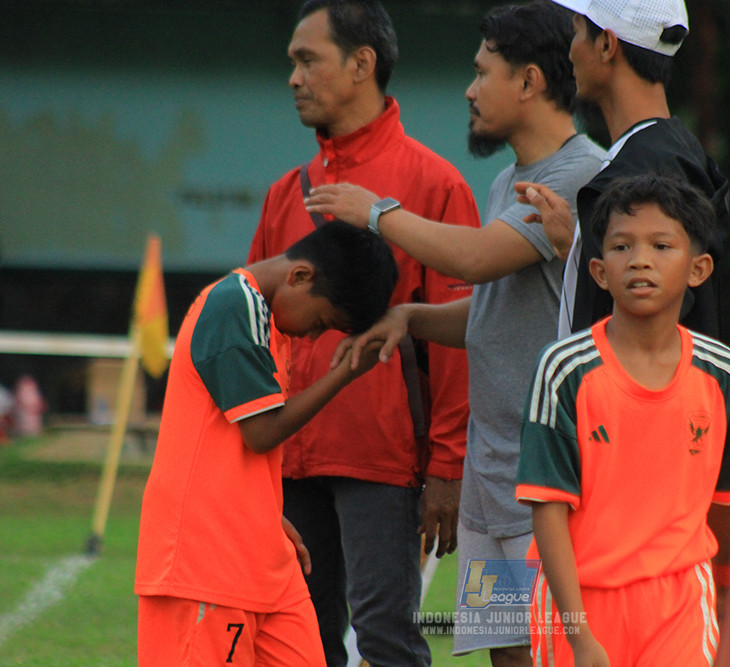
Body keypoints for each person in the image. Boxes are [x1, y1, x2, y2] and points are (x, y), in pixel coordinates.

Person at [312, 3, 604, 664]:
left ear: (529, 83)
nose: (469, 91)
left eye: (482, 73)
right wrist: (413, 318)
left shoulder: (580, 173)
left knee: (548, 650)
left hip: (547, 476)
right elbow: (493, 307)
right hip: (489, 472)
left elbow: (473, 259)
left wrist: (376, 212)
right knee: (506, 652)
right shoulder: (509, 180)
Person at [246, 1, 481, 664]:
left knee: (386, 639)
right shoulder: (282, 193)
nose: (293, 76)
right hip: (287, 458)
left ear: (361, 64)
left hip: (384, 462)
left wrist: (446, 465)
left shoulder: (434, 184)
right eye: (293, 61)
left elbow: (456, 342)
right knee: (297, 641)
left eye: (307, 59)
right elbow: (254, 327)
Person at [135, 221, 398, 667]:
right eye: (320, 322)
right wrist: (347, 371)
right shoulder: (232, 304)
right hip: (203, 564)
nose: (313, 337)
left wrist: (263, 510)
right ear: (300, 276)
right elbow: (261, 432)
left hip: (261, 557)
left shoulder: (268, 320)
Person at [515, 174, 730, 665]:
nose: (640, 259)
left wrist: (724, 587)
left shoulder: (721, 373)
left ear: (698, 268)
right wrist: (579, 638)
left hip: (680, 597)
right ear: (599, 271)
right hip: (579, 604)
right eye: (622, 246)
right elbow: (548, 511)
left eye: (662, 245)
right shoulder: (564, 371)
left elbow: (726, 499)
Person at [517, 0, 730, 340]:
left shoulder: (645, 175)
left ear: (606, 45)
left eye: (575, 33)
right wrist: (574, 242)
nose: (569, 52)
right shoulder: (671, 150)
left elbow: (649, 331)